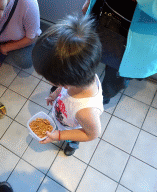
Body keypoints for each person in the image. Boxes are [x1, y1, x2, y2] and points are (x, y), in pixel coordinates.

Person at [32, 15, 103, 156]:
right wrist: (55, 93)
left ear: (64, 82)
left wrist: (59, 136)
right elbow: (66, 86)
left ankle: (72, 145)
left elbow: (92, 134)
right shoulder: (82, 75)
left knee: (72, 138)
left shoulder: (85, 112)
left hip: (72, 128)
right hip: (64, 115)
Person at [82, 0, 157, 104]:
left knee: (116, 77)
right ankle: (70, 85)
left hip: (140, 37)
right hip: (104, 12)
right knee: (84, 55)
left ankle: (102, 98)